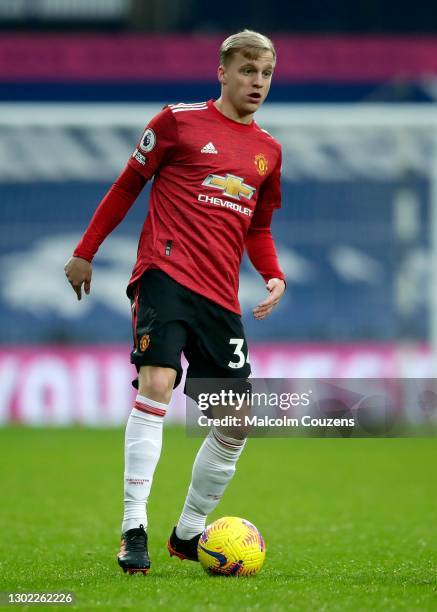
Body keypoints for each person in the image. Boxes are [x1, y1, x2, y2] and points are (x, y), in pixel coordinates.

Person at [64, 29, 286, 575]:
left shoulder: (268, 151)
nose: (257, 82)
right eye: (247, 70)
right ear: (223, 71)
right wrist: (85, 252)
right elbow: (125, 186)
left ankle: (187, 534)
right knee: (157, 383)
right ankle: (132, 529)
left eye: (265, 73)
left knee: (235, 420)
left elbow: (258, 225)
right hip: (164, 274)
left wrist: (272, 274)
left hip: (220, 297)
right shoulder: (178, 121)